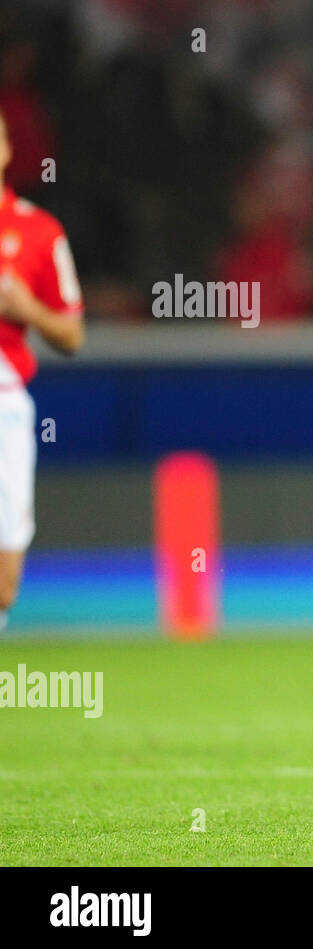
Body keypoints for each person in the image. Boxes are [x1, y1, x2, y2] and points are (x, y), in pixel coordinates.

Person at [0, 109, 85, 631]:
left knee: (6, 577)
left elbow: (72, 335)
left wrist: (26, 309)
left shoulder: (38, 231)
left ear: (7, 150)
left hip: (5, 402)